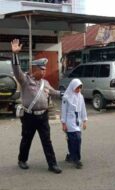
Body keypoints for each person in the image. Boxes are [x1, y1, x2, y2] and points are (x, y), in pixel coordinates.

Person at [11, 39, 62, 174]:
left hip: (43, 116)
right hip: (29, 116)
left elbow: (54, 92)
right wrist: (15, 55)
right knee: (26, 139)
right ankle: (22, 160)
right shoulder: (25, 81)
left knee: (47, 141)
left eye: (45, 69)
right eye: (42, 69)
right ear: (34, 69)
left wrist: (67, 93)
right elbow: (16, 71)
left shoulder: (45, 83)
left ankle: (52, 164)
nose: (44, 72)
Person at [61, 78, 88, 169]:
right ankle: (77, 159)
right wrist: (63, 123)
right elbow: (63, 111)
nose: (78, 90)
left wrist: (84, 120)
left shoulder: (80, 96)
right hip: (69, 121)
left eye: (80, 88)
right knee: (74, 139)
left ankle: (70, 156)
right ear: (73, 87)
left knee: (76, 140)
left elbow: (83, 108)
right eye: (77, 88)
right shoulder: (66, 97)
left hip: (77, 121)